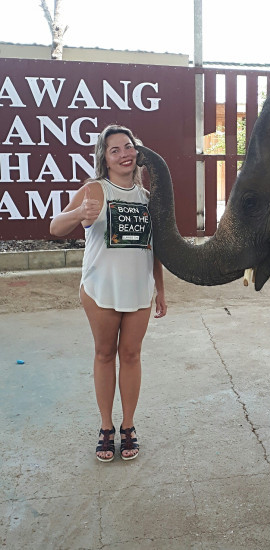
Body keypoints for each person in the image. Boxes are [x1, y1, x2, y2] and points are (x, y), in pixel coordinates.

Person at [50, 124, 167, 461]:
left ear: (137, 151)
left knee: (131, 355)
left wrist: (160, 289)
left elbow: (155, 248)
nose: (124, 154)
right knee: (104, 354)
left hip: (139, 289)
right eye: (114, 150)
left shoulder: (147, 198)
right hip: (100, 289)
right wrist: (78, 213)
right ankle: (106, 427)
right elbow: (55, 227)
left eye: (128, 147)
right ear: (105, 158)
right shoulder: (94, 190)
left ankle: (128, 425)